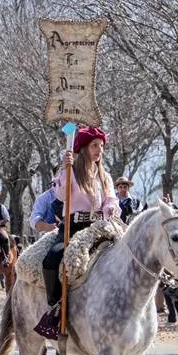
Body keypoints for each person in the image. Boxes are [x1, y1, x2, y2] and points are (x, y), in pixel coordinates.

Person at [37, 126, 118, 339]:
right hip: (72, 228)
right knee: (52, 257)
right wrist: (65, 171)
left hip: (98, 227)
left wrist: (110, 208)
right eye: (94, 146)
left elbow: (110, 198)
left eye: (101, 146)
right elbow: (62, 196)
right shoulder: (69, 172)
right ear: (83, 148)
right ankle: (54, 307)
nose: (99, 150)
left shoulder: (104, 176)